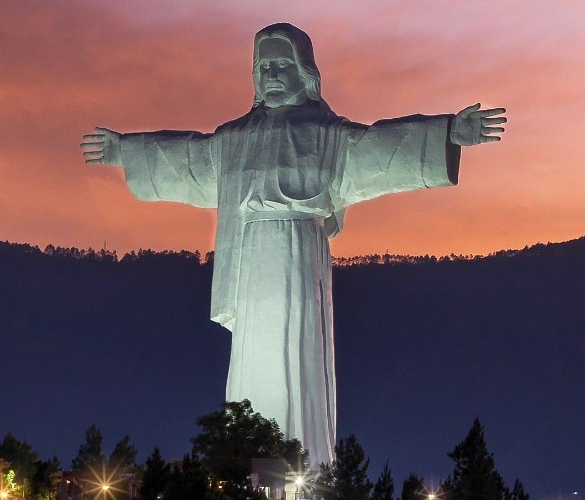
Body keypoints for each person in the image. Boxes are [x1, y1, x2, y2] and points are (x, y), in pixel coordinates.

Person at [80, 23, 505, 467]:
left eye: (282, 64)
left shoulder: (328, 135)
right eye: (262, 66)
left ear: (306, 72)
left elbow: (381, 148)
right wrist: (126, 151)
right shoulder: (235, 139)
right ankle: (248, 466)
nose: (271, 73)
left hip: (299, 256)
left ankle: (304, 468)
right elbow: (187, 159)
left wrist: (448, 132)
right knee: (253, 368)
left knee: (294, 361)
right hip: (248, 260)